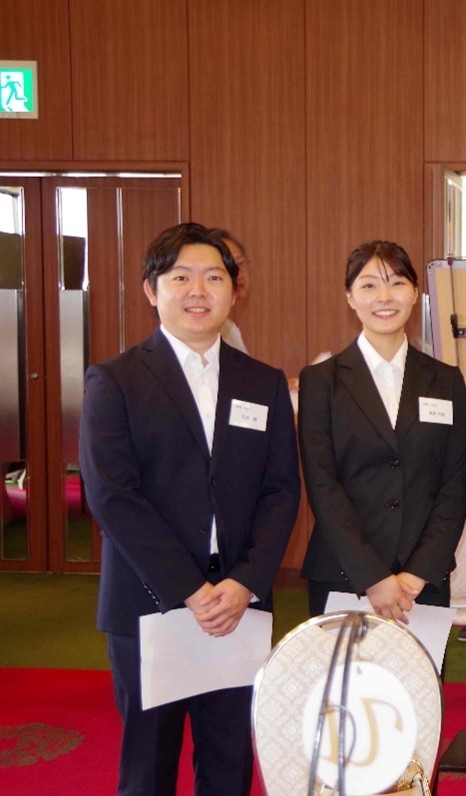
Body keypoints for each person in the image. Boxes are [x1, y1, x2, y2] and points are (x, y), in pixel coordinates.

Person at [79, 222, 300, 796]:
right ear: (152, 290)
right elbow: (113, 496)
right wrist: (191, 590)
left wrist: (245, 582)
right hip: (150, 604)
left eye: (213, 278)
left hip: (239, 605)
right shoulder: (115, 380)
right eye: (181, 278)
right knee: (149, 767)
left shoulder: (263, 383)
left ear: (234, 290)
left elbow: (281, 491)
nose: (198, 291)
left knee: (229, 762)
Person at [298, 240, 466, 619]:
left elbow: (456, 484)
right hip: (344, 574)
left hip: (422, 581)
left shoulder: (446, 381)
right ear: (350, 297)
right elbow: (323, 486)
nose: (384, 297)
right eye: (369, 285)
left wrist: (419, 571)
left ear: (415, 293)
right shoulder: (321, 381)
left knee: (419, 665)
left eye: (396, 283)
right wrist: (372, 576)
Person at [209, 228, 250, 354]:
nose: (239, 274)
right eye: (229, 266)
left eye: (240, 263)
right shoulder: (203, 329)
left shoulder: (230, 329)